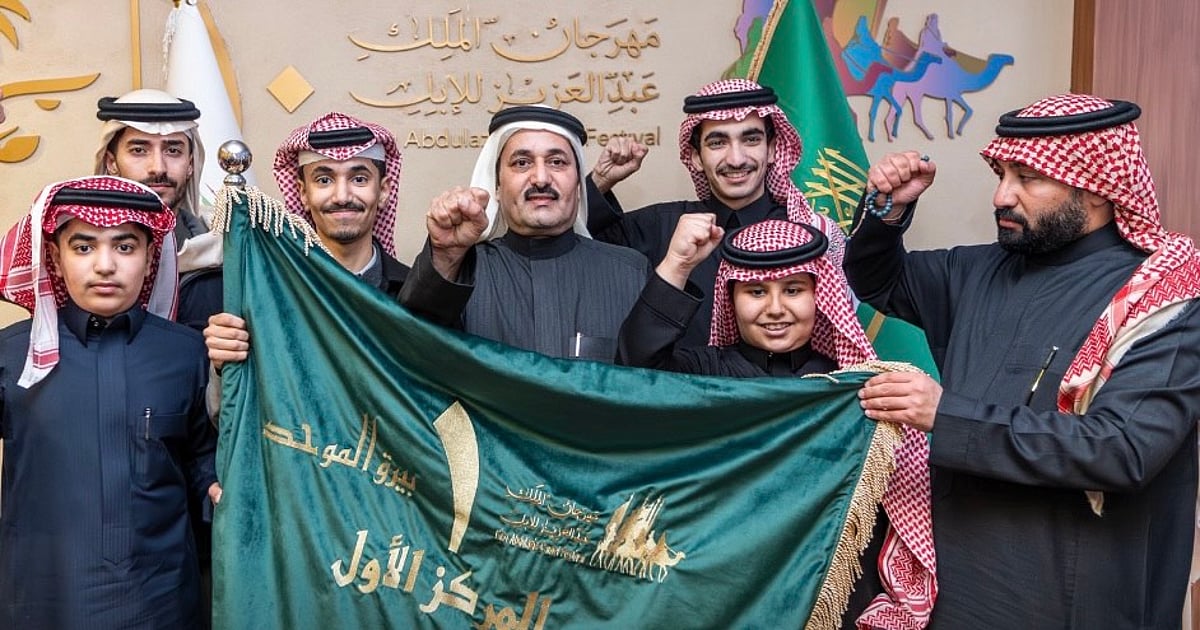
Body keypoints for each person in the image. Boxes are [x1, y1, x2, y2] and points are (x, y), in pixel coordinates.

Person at [846, 94, 1200, 628]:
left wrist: (945, 414)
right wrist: (887, 213)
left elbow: (1123, 449)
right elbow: (879, 282)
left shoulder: (1158, 297)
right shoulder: (978, 271)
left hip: (1076, 601)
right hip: (954, 593)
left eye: (1027, 178)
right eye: (1001, 174)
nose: (1001, 196)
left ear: (1096, 187)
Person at [619, 216, 937, 629]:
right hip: (716, 594)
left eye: (793, 290)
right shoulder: (703, 374)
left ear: (820, 294)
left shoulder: (857, 391)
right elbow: (634, 377)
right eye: (756, 292)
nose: (775, 309)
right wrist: (677, 266)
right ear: (731, 297)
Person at [0, 176, 219, 629]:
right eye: (83, 247)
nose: (105, 265)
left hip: (160, 605)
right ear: (54, 258)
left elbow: (204, 460)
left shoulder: (187, 353)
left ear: (150, 257)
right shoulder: (10, 354)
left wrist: (222, 491)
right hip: (40, 601)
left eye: (125, 247)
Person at [585, 78, 844, 347]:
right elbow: (574, 248)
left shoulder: (811, 233)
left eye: (751, 139)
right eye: (718, 143)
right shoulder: (660, 226)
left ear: (772, 149)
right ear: (696, 157)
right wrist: (601, 181)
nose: (736, 159)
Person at [398, 105, 647, 362]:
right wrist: (446, 255)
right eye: (522, 163)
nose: (541, 178)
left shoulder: (631, 273)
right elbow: (412, 352)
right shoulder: (460, 273)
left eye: (557, 162)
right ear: (496, 186)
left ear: (578, 185)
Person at [204, 112, 409, 371]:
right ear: (302, 192)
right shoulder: (266, 295)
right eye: (324, 180)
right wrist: (223, 364)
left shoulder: (412, 295)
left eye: (359, 179)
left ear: (384, 190)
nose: (342, 196)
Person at [96, 89, 223, 331]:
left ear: (190, 165)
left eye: (173, 151)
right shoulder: (84, 259)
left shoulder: (223, 254)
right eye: (139, 150)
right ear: (111, 162)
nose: (158, 168)